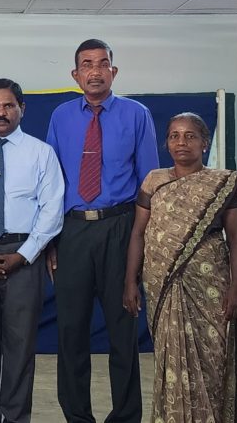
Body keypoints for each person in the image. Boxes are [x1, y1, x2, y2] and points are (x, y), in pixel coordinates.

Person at [123, 112, 237, 423]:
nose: (181, 142)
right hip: (162, 284)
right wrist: (130, 281)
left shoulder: (223, 183)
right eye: (174, 136)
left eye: (190, 136)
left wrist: (236, 289)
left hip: (210, 285)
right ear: (166, 143)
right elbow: (138, 233)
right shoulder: (154, 181)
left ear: (205, 143)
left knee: (212, 360)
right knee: (170, 358)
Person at [46, 38, 159, 423]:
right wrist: (52, 240)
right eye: (86, 64)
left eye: (102, 63)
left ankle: (125, 416)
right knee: (71, 332)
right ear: (75, 74)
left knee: (123, 331)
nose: (95, 71)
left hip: (120, 228)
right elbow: (52, 182)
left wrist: (141, 245)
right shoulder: (61, 116)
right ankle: (77, 416)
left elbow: (149, 183)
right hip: (73, 231)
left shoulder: (136, 114)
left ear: (114, 70)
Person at [0, 78, 64, 423]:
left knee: (20, 345)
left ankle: (15, 417)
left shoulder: (41, 153)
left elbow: (52, 209)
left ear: (22, 109)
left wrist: (24, 255)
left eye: (8, 106)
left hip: (24, 255)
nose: (1, 113)